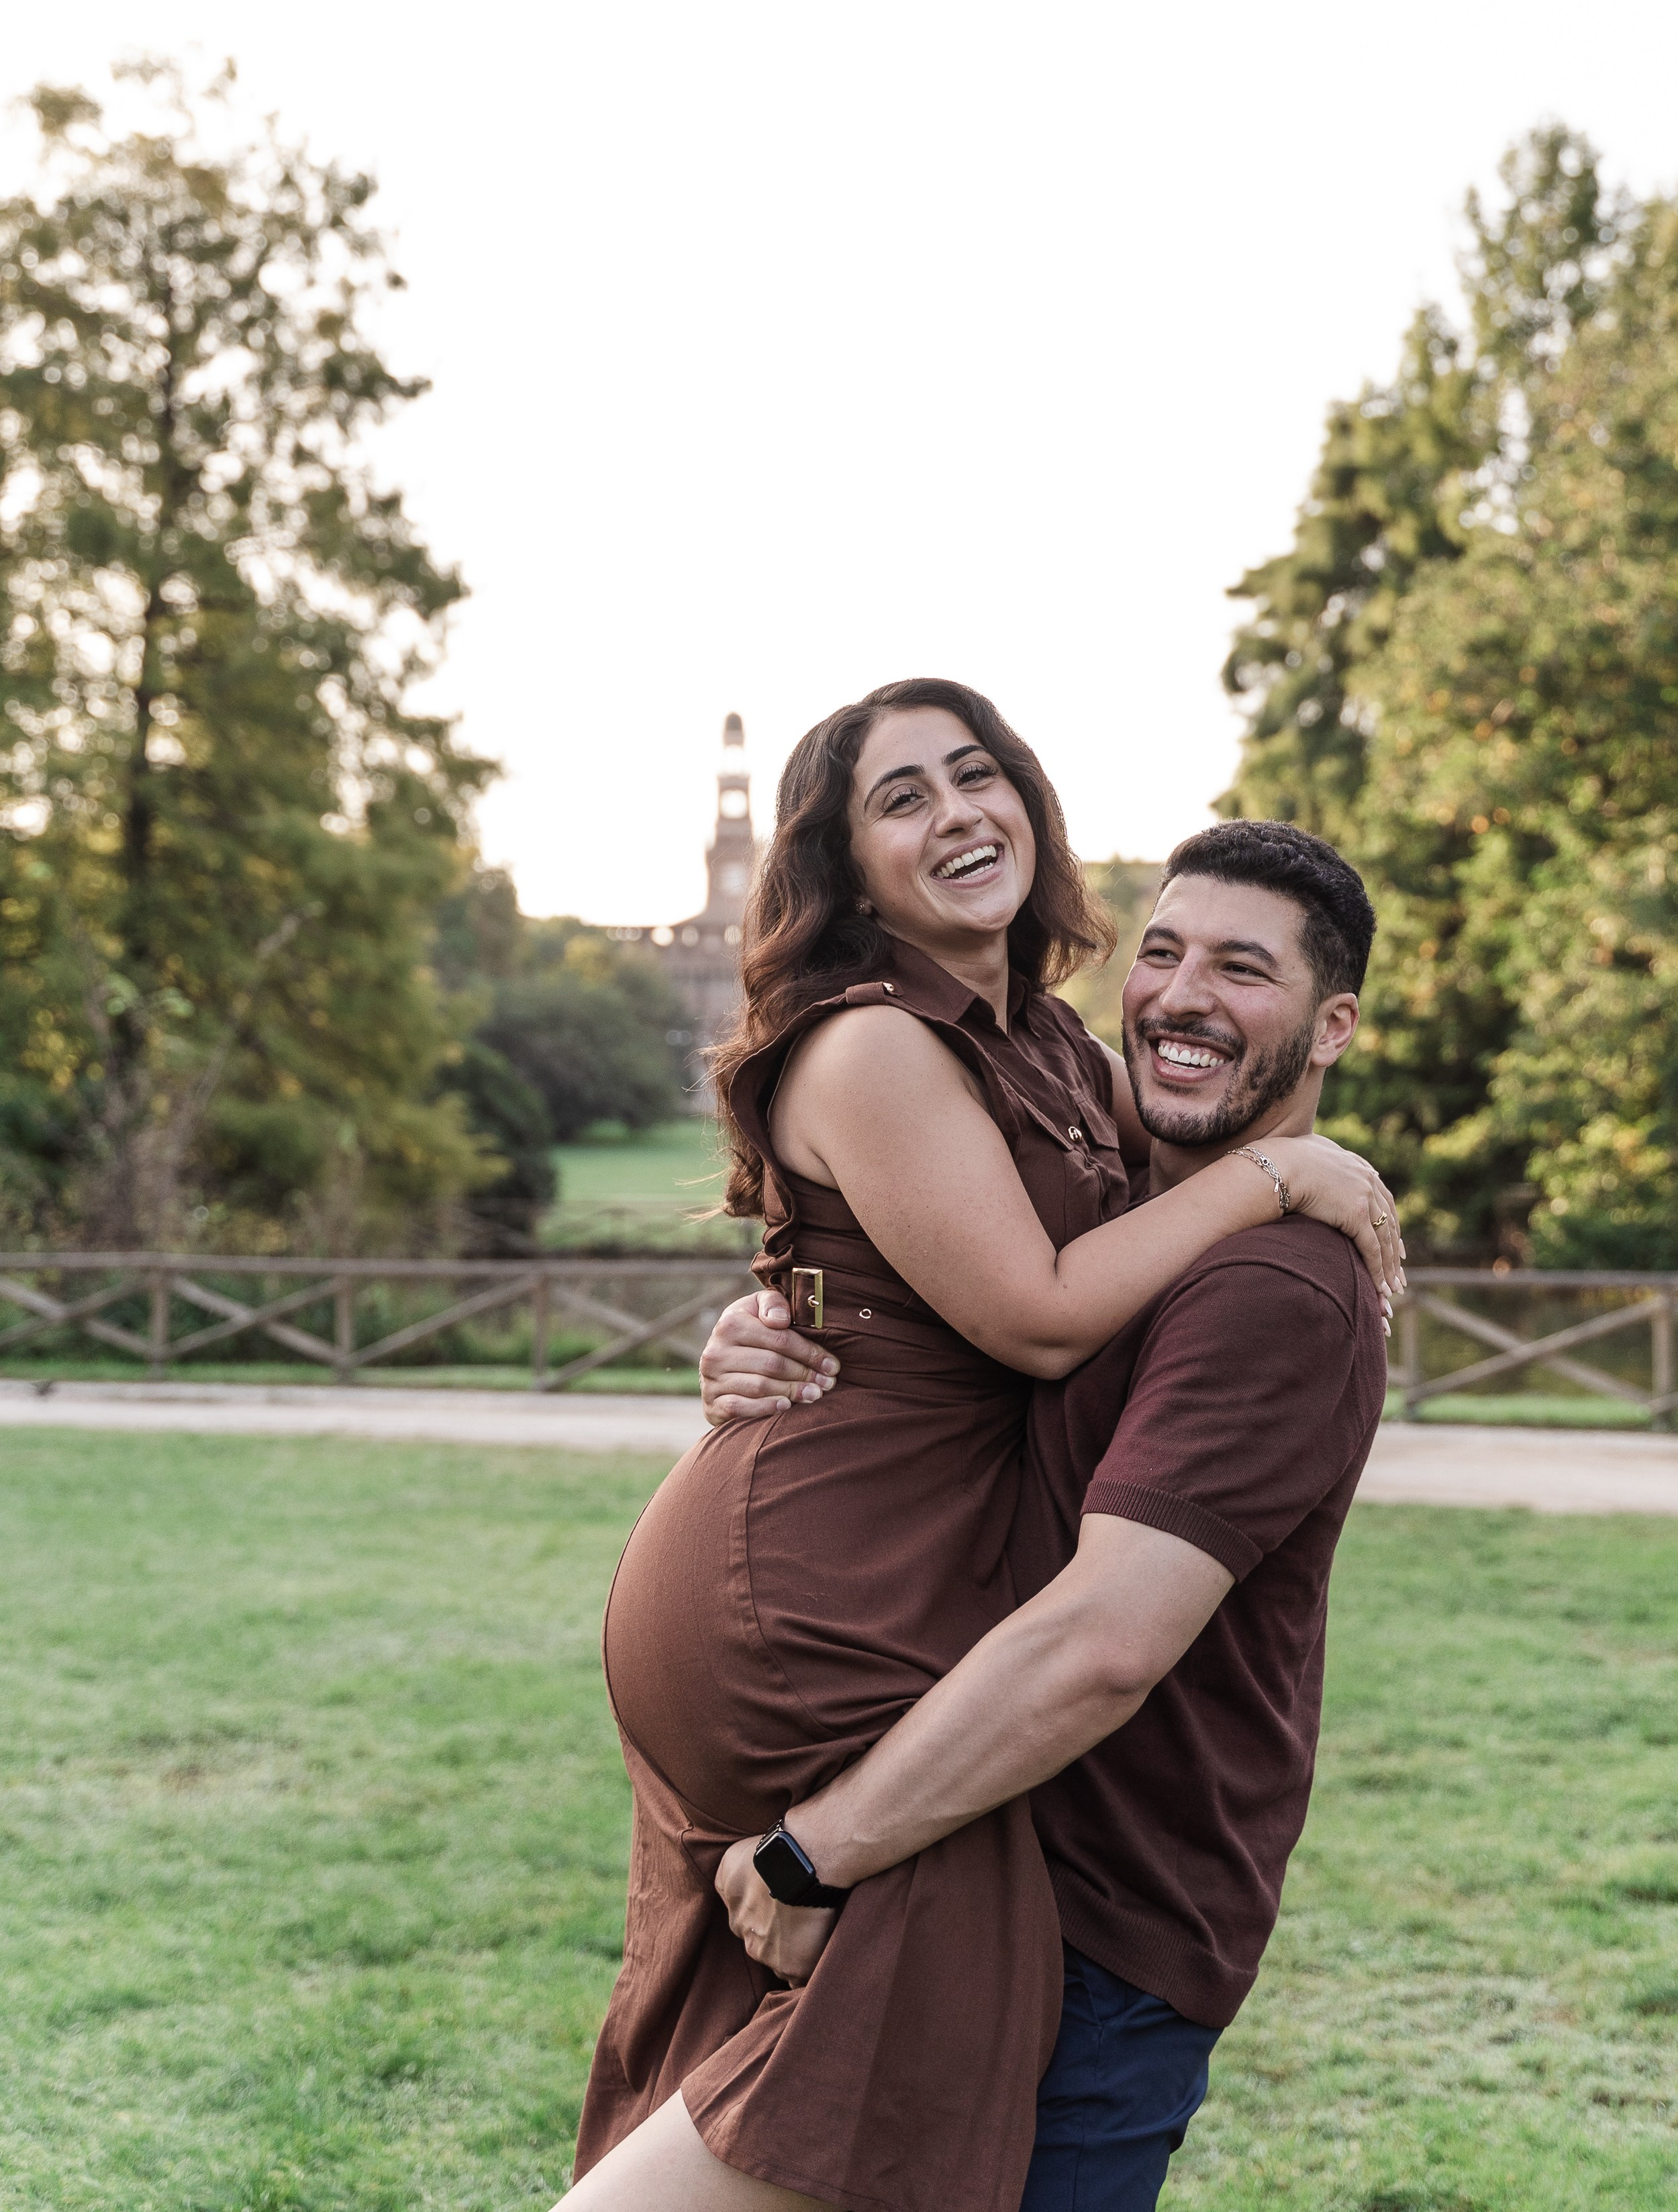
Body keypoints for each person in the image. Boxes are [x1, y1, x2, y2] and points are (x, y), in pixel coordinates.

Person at [562, 678, 1399, 2212]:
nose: (954, 814)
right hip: (851, 1652)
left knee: (786, 2124)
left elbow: (1029, 1301)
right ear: (847, 867)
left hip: (1015, 1779)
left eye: (976, 774)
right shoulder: (905, 1047)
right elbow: (1021, 1307)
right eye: (901, 798)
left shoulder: (1059, 1066)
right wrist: (1286, 1166)